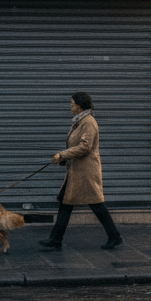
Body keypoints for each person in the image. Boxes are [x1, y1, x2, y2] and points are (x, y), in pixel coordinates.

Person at [39, 92, 123, 251]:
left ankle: (114, 236)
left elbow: (85, 147)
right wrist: (64, 158)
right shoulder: (80, 121)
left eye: (72, 103)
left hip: (86, 172)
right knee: (66, 203)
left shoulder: (88, 122)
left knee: (96, 204)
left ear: (80, 105)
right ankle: (55, 239)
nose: (70, 106)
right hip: (77, 170)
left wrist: (62, 155)